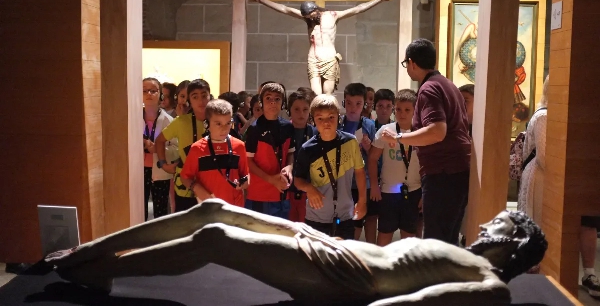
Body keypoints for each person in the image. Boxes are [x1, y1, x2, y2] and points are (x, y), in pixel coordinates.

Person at [45, 204, 547, 306]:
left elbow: (416, 304)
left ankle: (98, 270)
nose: (485, 224)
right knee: (213, 209)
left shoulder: (491, 284)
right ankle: (94, 248)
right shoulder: (461, 252)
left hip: (342, 276)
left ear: (514, 240)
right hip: (333, 248)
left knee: (215, 238)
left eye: (499, 222)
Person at [381, 38, 471, 245]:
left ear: (412, 63)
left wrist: (399, 137)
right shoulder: (448, 84)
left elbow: (437, 132)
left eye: (406, 64)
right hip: (456, 171)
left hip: (443, 173)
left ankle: (438, 278)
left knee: (436, 241)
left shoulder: (429, 88)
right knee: (448, 239)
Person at [248, 0, 392, 95]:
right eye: (308, 17)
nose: (311, 19)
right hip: (313, 60)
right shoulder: (307, 19)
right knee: (316, 95)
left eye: (312, 15)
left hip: (329, 58)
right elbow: (285, 9)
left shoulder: (333, 15)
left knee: (327, 95)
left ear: (316, 9)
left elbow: (358, 9)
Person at [293, 94, 367, 239]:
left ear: (338, 117)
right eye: (320, 118)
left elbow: (359, 172)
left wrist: (362, 201)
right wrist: (309, 188)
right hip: (317, 216)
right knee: (316, 259)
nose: (326, 122)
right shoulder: (307, 148)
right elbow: (298, 180)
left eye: (331, 117)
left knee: (343, 259)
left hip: (345, 215)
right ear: (313, 120)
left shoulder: (350, 142)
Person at [369, 89, 421, 246]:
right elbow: (372, 159)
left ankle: (406, 269)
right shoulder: (385, 131)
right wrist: (374, 186)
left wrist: (425, 192)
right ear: (394, 109)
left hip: (414, 191)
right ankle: (380, 268)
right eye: (398, 109)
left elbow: (429, 165)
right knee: (385, 233)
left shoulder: (421, 132)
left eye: (407, 110)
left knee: (409, 235)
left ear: (415, 110)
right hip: (388, 192)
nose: (402, 114)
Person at [155, 79, 210, 212]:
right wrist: (163, 164)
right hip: (185, 187)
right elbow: (159, 140)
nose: (200, 100)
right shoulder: (181, 122)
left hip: (211, 183)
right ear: (190, 100)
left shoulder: (218, 120)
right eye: (195, 97)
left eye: (204, 95)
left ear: (210, 96)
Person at [244, 83, 294, 218]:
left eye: (277, 99)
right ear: (261, 102)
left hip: (282, 192)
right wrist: (271, 180)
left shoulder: (288, 127)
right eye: (268, 98)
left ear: (283, 103)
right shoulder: (254, 129)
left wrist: (289, 167)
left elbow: (290, 153)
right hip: (260, 194)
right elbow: (248, 162)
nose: (273, 102)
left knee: (281, 237)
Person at [340, 83, 377, 243]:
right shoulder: (339, 124)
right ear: (344, 102)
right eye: (349, 103)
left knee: (359, 219)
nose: (353, 108)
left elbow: (375, 156)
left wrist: (368, 148)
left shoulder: (368, 125)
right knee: (343, 219)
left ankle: (352, 250)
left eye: (358, 104)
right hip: (343, 180)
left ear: (364, 104)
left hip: (363, 181)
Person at [142, 77, 175, 220]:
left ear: (160, 95)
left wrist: (158, 149)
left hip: (160, 169)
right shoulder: (132, 118)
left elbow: (176, 148)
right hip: (139, 170)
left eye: (153, 91)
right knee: (138, 208)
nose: (149, 93)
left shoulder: (169, 120)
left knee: (160, 210)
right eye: (145, 90)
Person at [517, 75, 548, 223]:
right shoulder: (544, 116)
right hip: (540, 174)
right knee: (538, 222)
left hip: (540, 173)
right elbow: (544, 156)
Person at [286, 90, 316, 223]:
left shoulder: (315, 132)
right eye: (296, 109)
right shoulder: (283, 130)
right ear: (289, 110)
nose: (301, 113)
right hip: (286, 191)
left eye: (305, 109)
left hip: (308, 190)